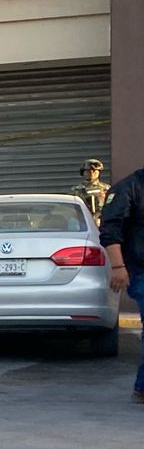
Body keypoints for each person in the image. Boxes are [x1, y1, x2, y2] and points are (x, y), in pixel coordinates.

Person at [98, 164, 144, 404]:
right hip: (141, 269)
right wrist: (118, 267)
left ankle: (142, 388)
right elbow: (110, 229)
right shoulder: (129, 187)